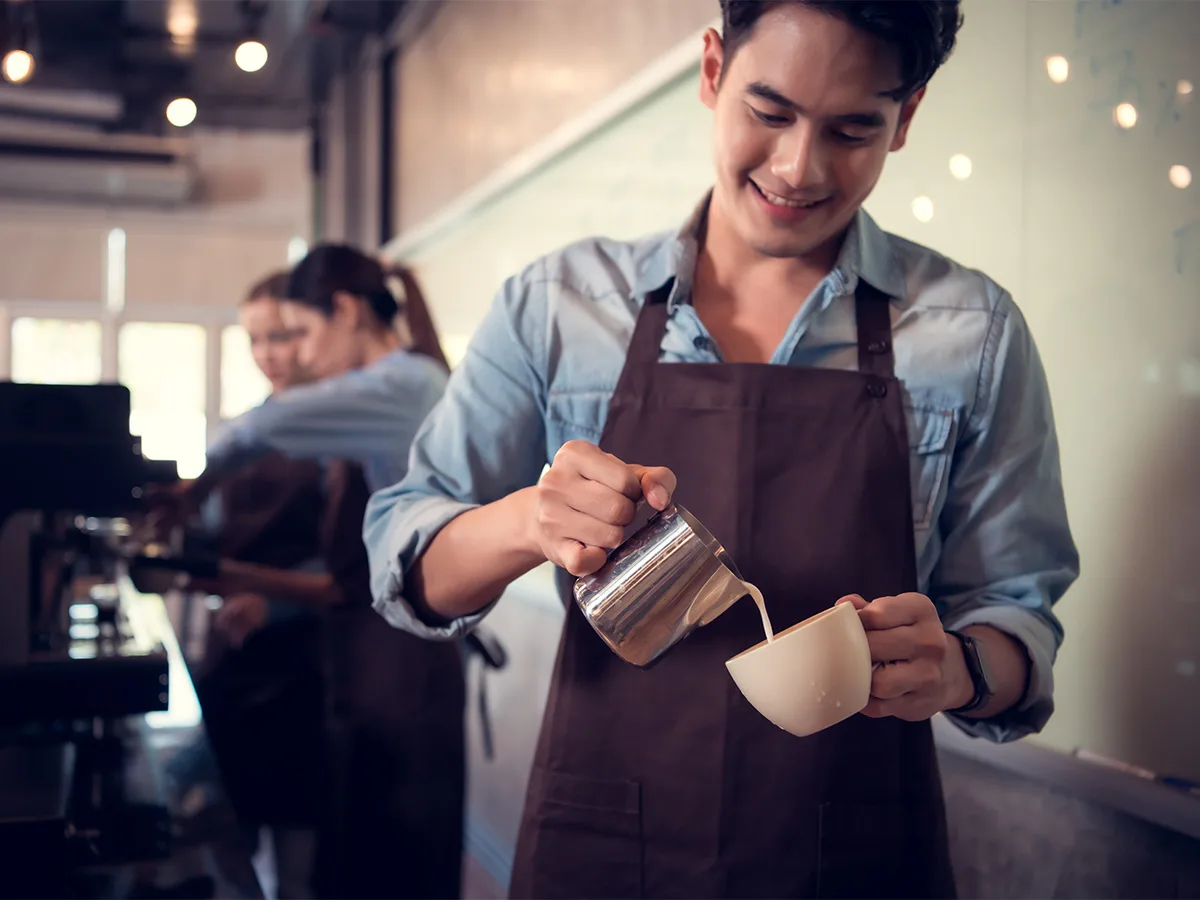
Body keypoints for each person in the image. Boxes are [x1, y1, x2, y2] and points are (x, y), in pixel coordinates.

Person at [363, 2, 1080, 898]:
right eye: (769, 111)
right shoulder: (557, 305)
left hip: (851, 850)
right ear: (712, 71)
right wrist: (527, 521)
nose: (797, 167)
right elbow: (405, 559)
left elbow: (1019, 615)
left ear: (908, 117)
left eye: (853, 127)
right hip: (605, 841)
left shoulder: (971, 334)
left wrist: (964, 668)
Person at [154, 249, 466, 899]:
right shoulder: (400, 383)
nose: (295, 354)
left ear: (346, 312)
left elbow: (261, 427)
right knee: (361, 848)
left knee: (395, 855)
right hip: (378, 648)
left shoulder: (402, 383)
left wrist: (189, 491)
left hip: (405, 650)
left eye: (300, 332)